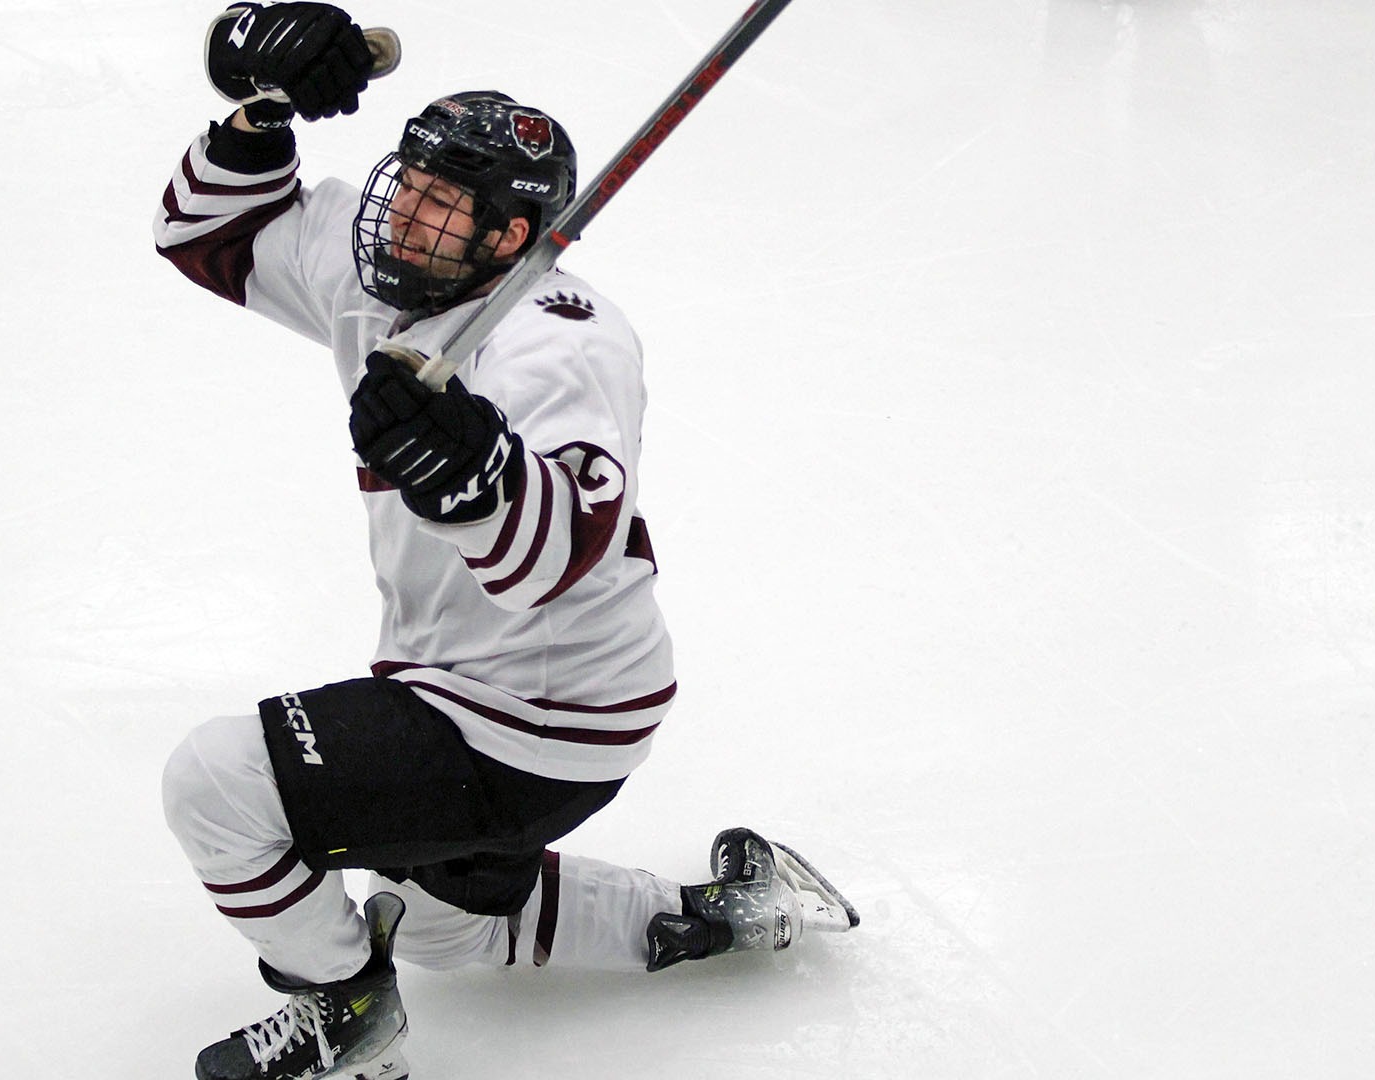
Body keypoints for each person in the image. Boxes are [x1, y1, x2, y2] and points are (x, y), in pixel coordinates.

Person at [153, 5, 858, 1078]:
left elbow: (553, 556)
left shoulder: (561, 342)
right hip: (508, 693)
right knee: (445, 930)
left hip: (537, 710)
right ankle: (726, 912)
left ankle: (344, 1014)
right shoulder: (385, 264)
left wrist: (480, 475)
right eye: (411, 186)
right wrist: (262, 110)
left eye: (444, 207)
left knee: (217, 784)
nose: (405, 220)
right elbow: (206, 236)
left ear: (513, 238)